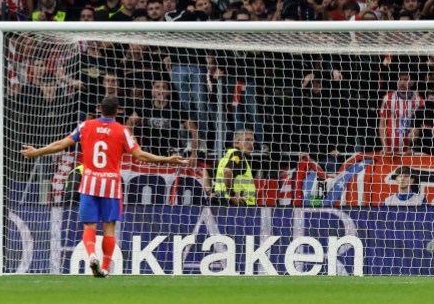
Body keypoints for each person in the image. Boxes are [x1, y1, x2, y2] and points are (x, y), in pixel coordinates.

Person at [21, 95, 187, 277]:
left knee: (89, 227)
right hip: (111, 184)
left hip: (90, 182)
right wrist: (167, 159)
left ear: (100, 109)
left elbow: (62, 144)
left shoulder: (86, 126)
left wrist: (37, 151)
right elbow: (141, 155)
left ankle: (92, 255)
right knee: (109, 228)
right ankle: (106, 268)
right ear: (118, 111)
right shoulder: (122, 131)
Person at [213, 129, 257, 206]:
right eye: (247, 140)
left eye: (252, 140)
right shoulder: (238, 155)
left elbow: (206, 171)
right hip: (239, 205)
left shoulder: (224, 158)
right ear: (236, 143)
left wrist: (210, 192)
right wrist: (232, 194)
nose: (251, 143)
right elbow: (227, 171)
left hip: (221, 203)